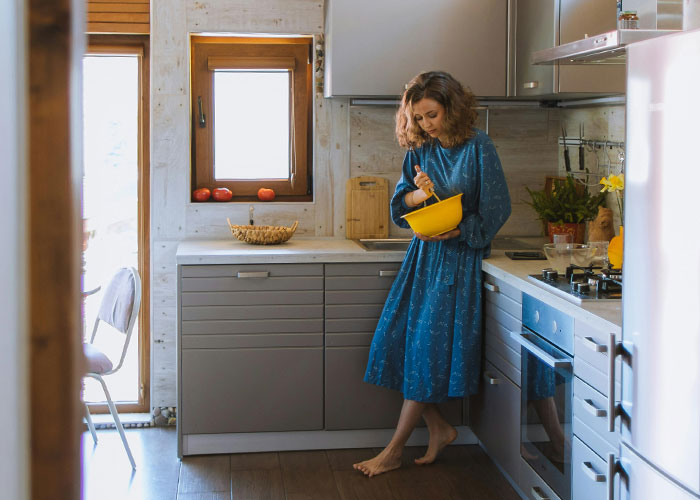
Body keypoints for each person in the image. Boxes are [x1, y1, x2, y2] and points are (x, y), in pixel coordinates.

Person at [352, 71, 512, 477]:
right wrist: (421, 192)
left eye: (432, 115)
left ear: (452, 108)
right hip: (422, 258)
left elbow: (497, 209)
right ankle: (439, 427)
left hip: (458, 261)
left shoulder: (480, 147)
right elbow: (400, 205)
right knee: (402, 343)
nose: (426, 124)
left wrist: (461, 231)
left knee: (425, 353)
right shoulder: (421, 149)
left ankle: (393, 450)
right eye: (418, 117)